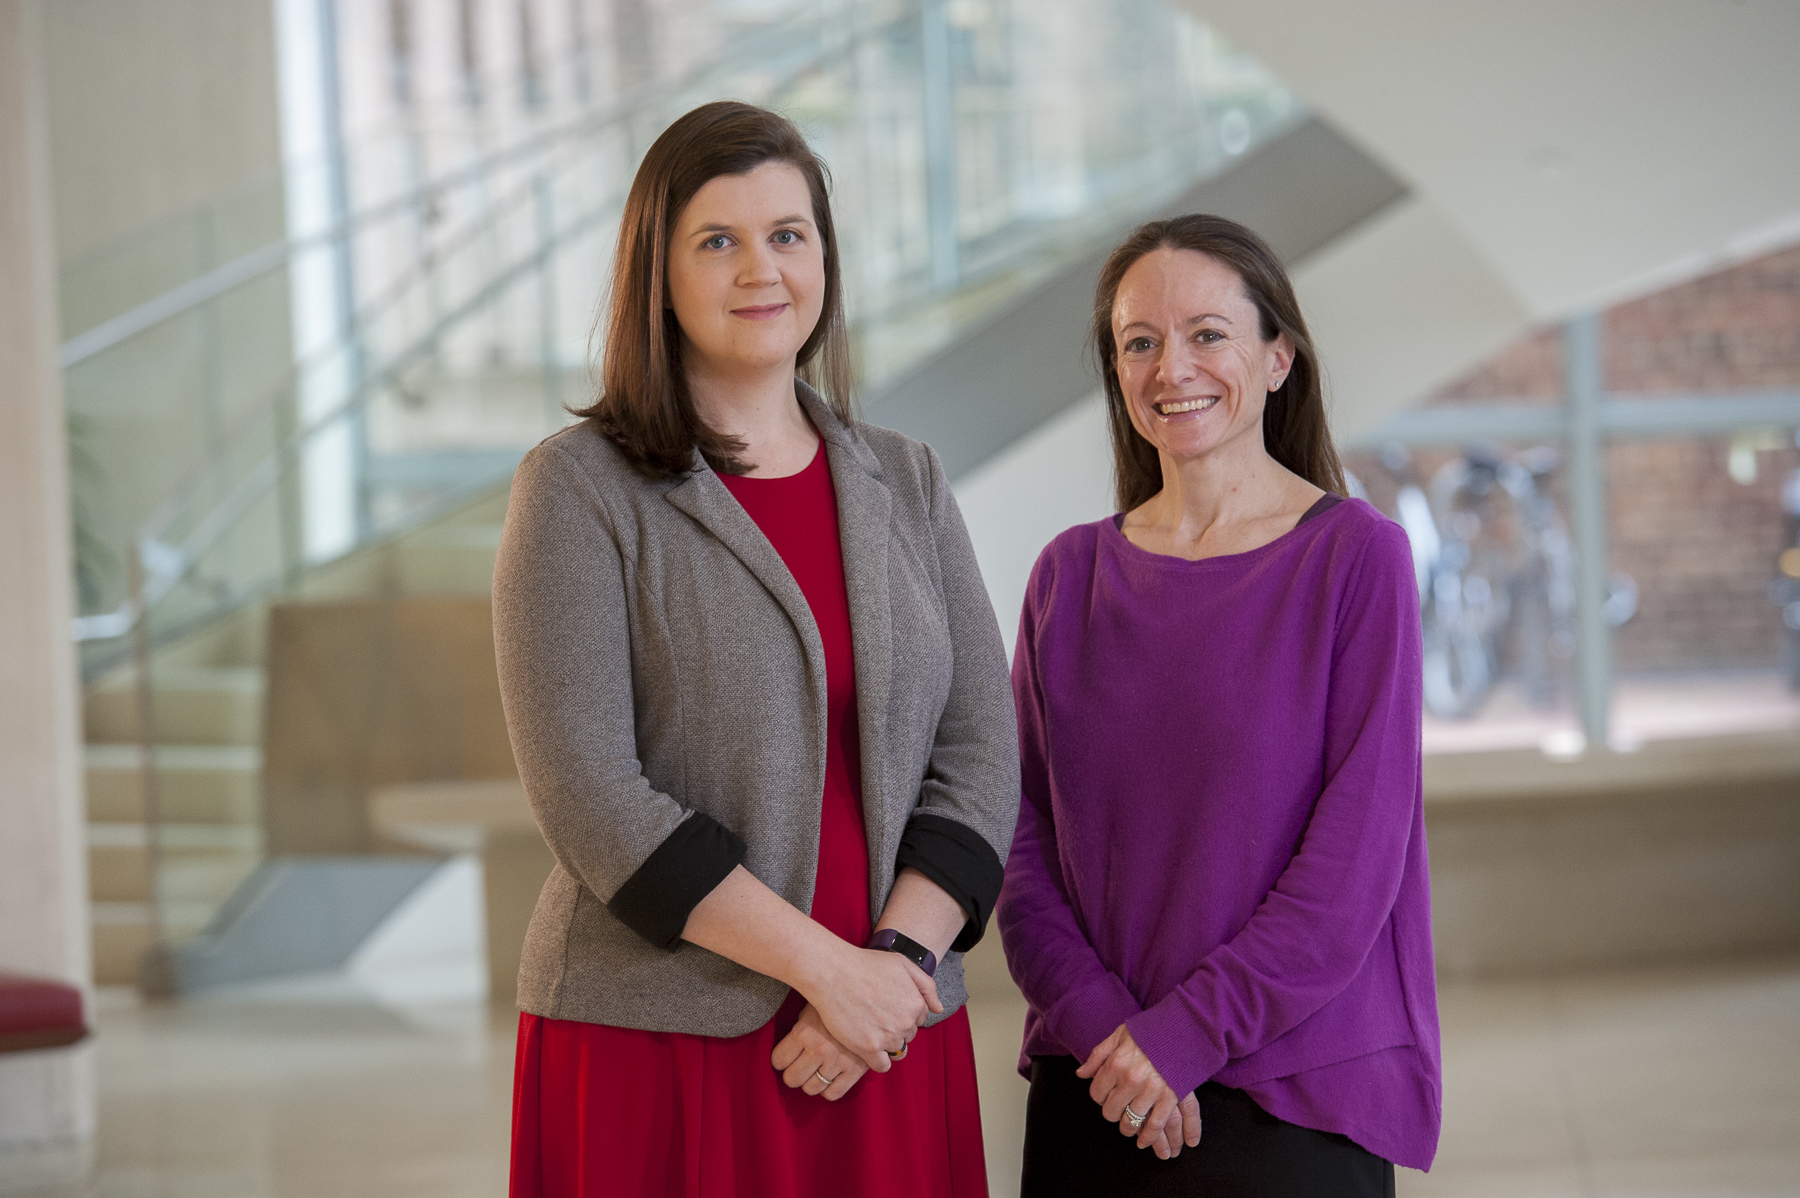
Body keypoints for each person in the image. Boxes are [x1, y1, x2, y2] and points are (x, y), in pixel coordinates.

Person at [493, 101, 1018, 1198]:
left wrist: (894, 968)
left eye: (788, 234)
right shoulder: (579, 491)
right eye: (717, 240)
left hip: (886, 1030)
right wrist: (828, 971)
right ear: (660, 274)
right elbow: (589, 791)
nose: (760, 268)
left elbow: (980, 754)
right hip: (668, 1041)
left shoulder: (904, 478)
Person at [995, 214, 1441, 1196]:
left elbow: (1354, 863)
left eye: (1207, 333)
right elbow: (1015, 840)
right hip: (1096, 1082)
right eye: (1139, 341)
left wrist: (1183, 1037)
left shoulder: (1355, 559)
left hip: (1284, 1093)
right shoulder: (1067, 576)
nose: (1171, 367)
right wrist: (1113, 1037)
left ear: (1278, 357)